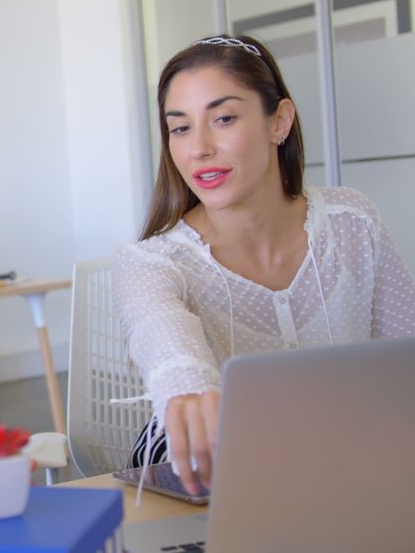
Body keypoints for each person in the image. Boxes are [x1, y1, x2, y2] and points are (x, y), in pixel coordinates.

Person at [113, 35, 415, 495]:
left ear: (280, 121)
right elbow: (160, 330)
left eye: (224, 118)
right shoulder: (151, 261)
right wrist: (188, 388)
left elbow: (404, 354)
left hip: (347, 464)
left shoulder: (353, 221)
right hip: (208, 474)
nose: (199, 148)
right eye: (180, 128)